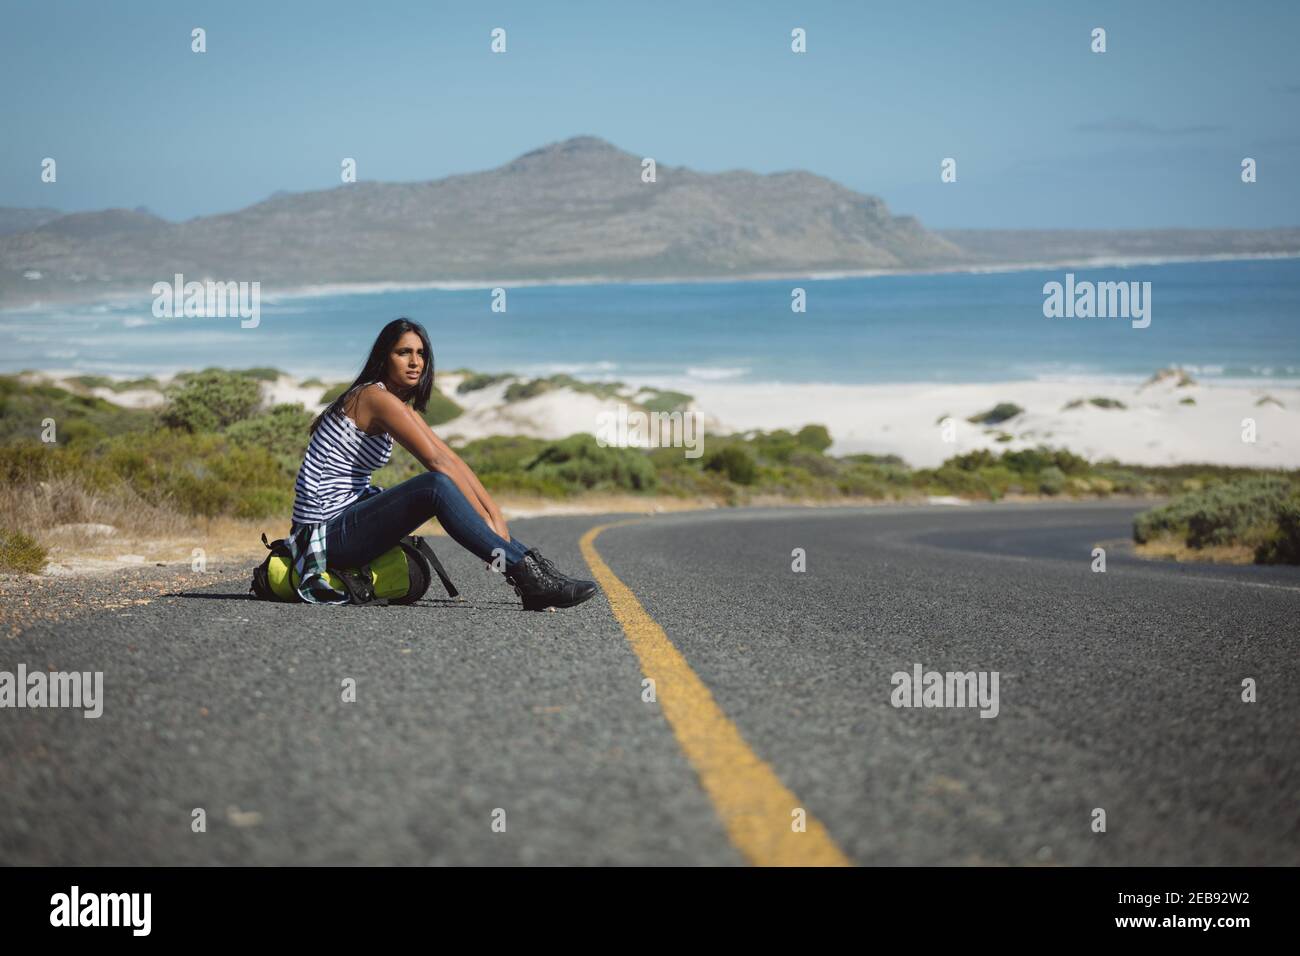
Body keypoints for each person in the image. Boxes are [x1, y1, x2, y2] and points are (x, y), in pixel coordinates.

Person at [286, 317, 599, 611]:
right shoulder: (372, 398)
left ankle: (530, 570)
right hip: (321, 537)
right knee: (434, 486)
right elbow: (436, 463)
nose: (415, 361)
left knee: (439, 483)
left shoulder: (396, 405)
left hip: (343, 526)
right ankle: (527, 576)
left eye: (420, 353)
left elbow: (450, 457)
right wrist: (490, 521)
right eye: (403, 352)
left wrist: (495, 515)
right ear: (385, 357)